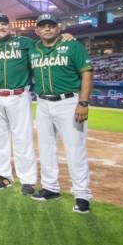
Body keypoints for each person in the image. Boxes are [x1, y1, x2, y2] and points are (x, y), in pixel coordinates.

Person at [29, 13, 93, 214]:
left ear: (59, 28)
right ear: (37, 30)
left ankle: (82, 195)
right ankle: (50, 188)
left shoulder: (73, 46)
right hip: (42, 103)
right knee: (46, 148)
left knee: (75, 149)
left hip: (69, 102)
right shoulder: (32, 49)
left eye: (51, 25)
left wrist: (83, 103)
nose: (47, 29)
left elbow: (87, 73)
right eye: (43, 26)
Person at [0, 13, 37, 194]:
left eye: (4, 24)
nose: (1, 27)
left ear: (9, 26)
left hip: (18, 95)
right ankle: (4, 177)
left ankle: (27, 180)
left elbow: (43, 51)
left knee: (23, 137)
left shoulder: (25, 43)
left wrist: (65, 37)